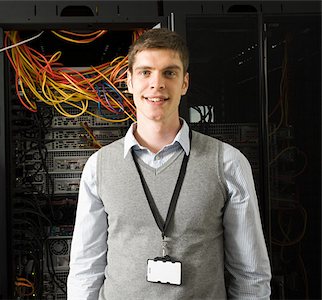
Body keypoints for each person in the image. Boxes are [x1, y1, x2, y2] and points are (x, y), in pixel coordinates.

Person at [67, 28, 271, 299]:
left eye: (169, 73)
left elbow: (250, 274)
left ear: (184, 83)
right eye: (145, 72)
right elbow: (85, 269)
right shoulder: (98, 167)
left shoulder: (228, 163)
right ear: (128, 81)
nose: (157, 84)